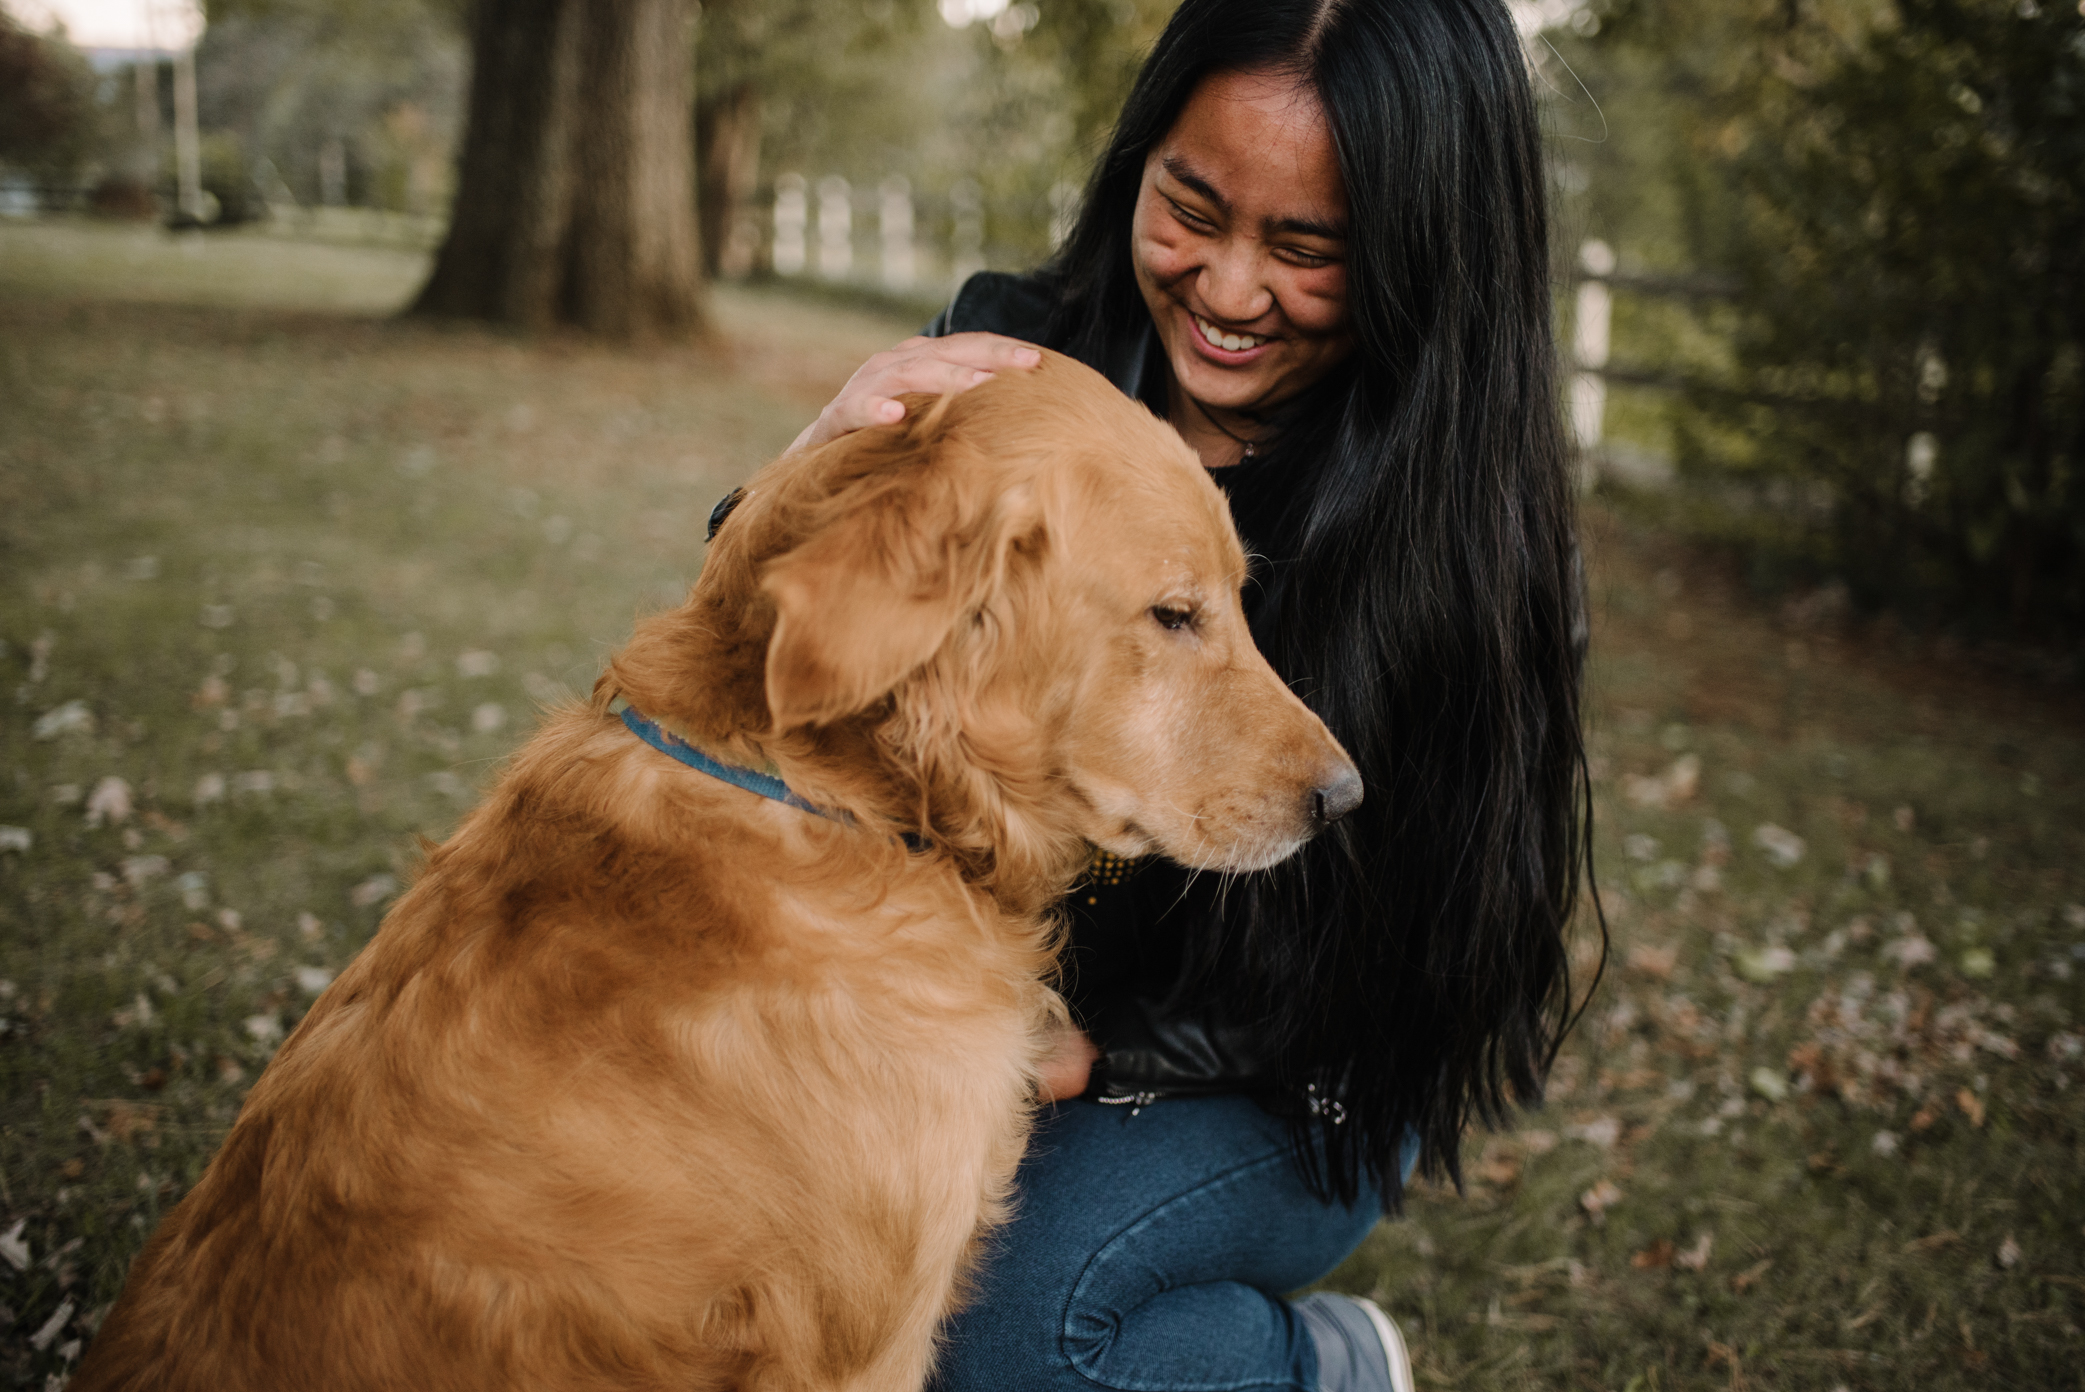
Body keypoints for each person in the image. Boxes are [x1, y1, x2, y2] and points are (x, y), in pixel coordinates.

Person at [771, 2, 1591, 1389]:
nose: (1222, 287)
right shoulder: (1003, 361)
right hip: (956, 990)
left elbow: (1417, 955)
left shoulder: (1467, 536)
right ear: (1135, 162)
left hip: (1267, 1057)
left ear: (1416, 256)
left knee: (995, 1329)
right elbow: (792, 682)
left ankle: (1316, 1369)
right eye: (1190, 209)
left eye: (1305, 248)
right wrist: (811, 462)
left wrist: (1082, 1040)